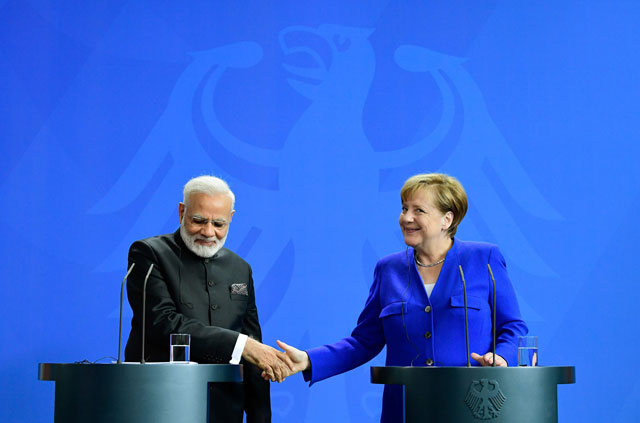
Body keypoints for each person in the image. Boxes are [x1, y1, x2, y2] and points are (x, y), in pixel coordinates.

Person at [276, 173, 528, 422]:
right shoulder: (388, 269)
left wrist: (502, 356)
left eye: (418, 210)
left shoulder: (483, 258)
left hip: (472, 406)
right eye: (404, 208)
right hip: (406, 409)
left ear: (446, 219)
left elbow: (513, 326)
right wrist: (309, 360)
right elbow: (364, 341)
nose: (406, 218)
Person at [124, 175, 291, 423]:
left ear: (231, 218)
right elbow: (163, 323)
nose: (208, 231)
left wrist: (260, 418)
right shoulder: (149, 254)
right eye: (198, 220)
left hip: (225, 411)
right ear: (182, 211)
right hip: (161, 405)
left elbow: (255, 351)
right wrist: (241, 344)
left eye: (219, 223)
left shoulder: (240, 268)